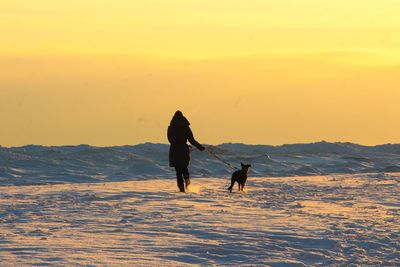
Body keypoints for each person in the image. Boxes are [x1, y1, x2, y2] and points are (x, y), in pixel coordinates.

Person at [167, 111, 205, 192]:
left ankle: (181, 189)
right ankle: (188, 187)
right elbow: (191, 140)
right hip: (183, 150)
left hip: (174, 150)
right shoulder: (186, 127)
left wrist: (176, 143)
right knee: (185, 169)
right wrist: (200, 147)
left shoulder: (170, 127)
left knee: (178, 172)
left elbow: (170, 140)